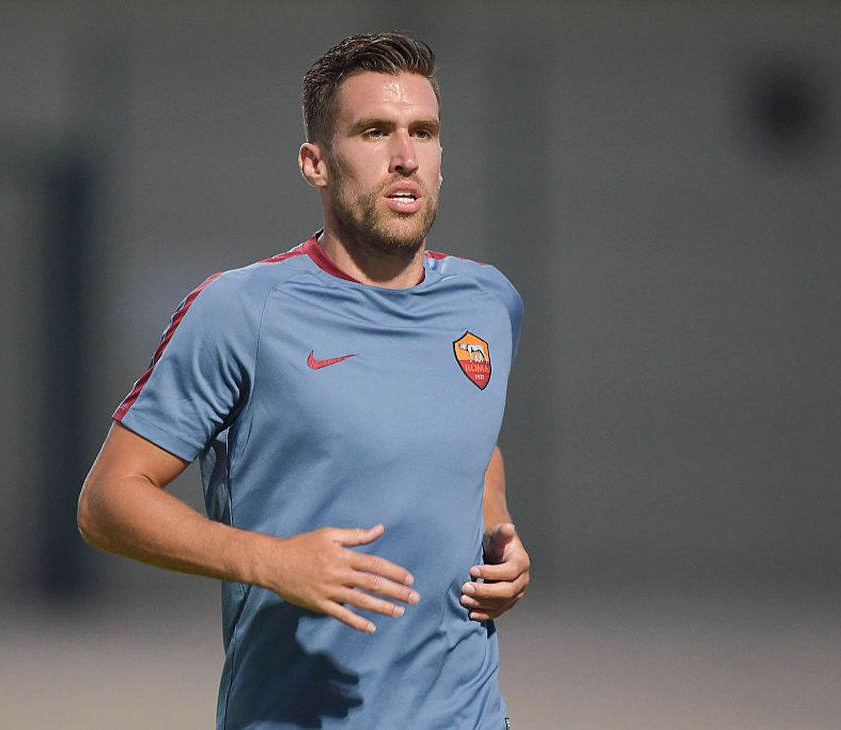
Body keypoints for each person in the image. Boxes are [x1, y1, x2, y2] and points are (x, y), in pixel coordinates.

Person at [78, 32, 530, 729]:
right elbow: (107, 501)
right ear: (315, 162)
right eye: (375, 132)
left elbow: (469, 439)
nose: (405, 155)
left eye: (424, 132)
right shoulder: (241, 311)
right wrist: (270, 562)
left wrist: (498, 532)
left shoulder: (489, 302)